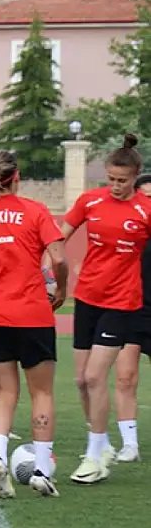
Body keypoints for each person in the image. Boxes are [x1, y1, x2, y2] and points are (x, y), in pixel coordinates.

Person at [0, 149, 67, 499]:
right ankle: (40, 469)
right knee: (42, 392)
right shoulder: (35, 211)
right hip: (32, 313)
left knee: (5, 393)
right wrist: (60, 286)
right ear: (16, 177)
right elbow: (59, 257)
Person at [58, 135, 150, 481]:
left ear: (136, 178)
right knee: (81, 380)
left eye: (122, 181)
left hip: (122, 303)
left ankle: (95, 457)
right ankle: (104, 443)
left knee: (96, 376)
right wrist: (48, 267)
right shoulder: (90, 201)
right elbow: (58, 237)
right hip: (87, 299)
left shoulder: (145, 210)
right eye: (110, 179)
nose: (115, 186)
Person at [114, 172, 151, 463]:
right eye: (146, 196)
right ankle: (130, 444)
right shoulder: (126, 233)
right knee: (125, 377)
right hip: (131, 309)